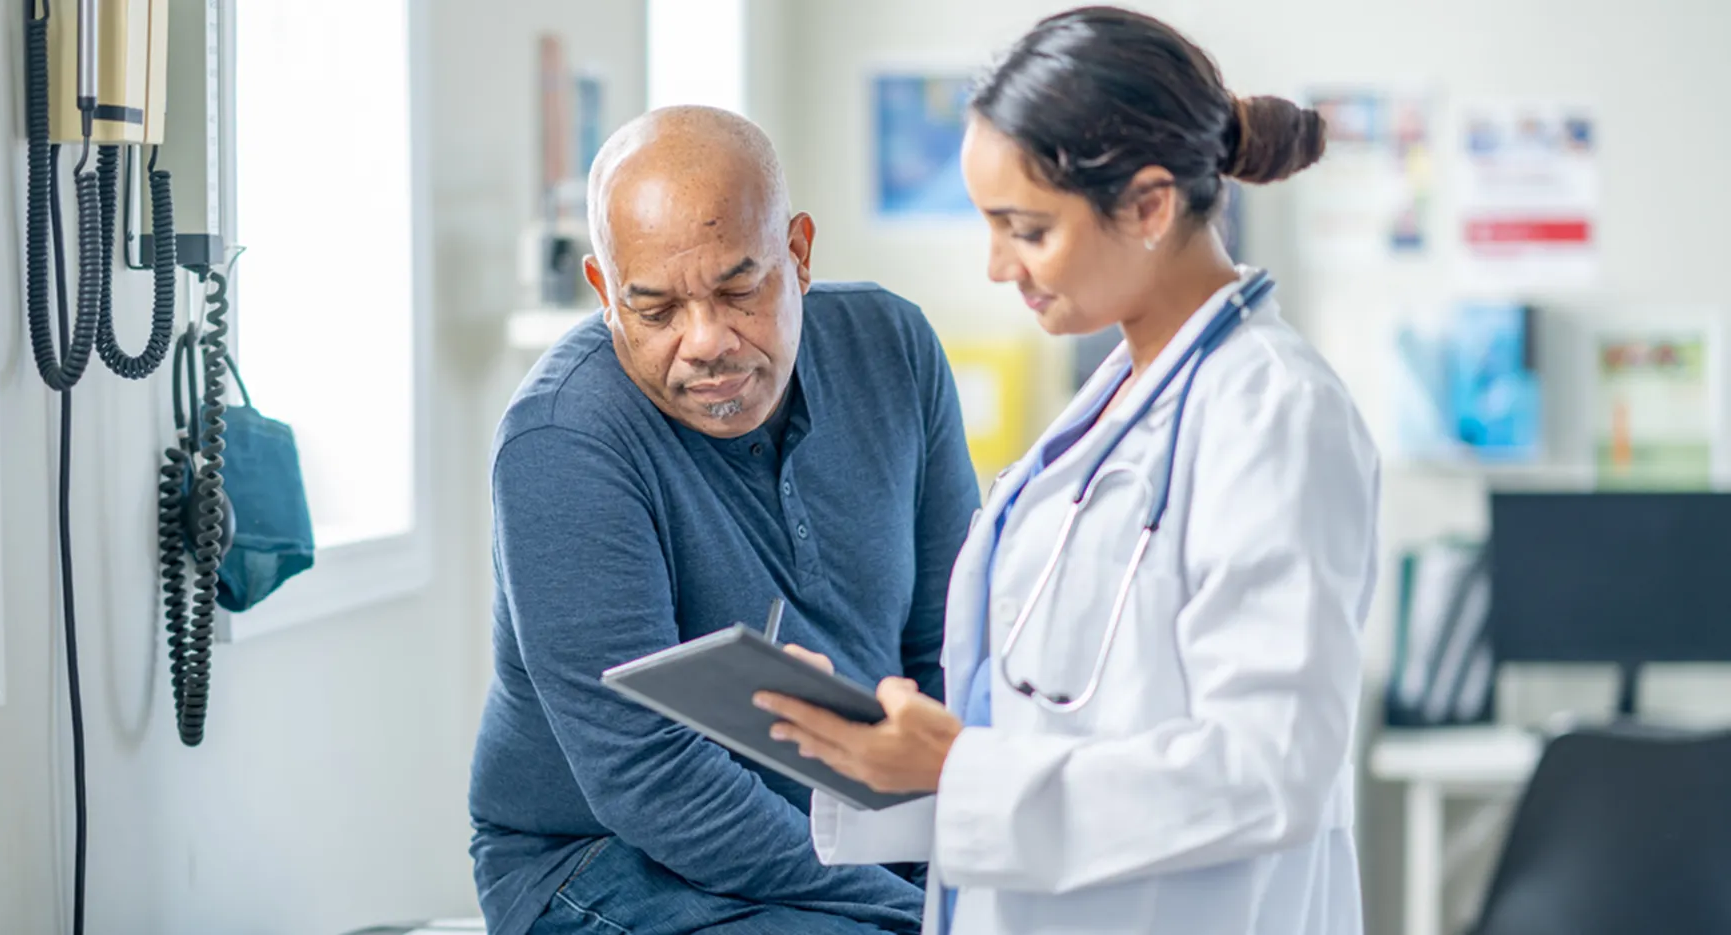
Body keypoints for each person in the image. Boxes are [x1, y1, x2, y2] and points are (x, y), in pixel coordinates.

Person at [755, 8, 1380, 934]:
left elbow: (1268, 770)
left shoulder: (1275, 412)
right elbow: (1043, 735)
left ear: (1149, 205)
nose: (999, 264)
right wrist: (884, 753)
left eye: (1028, 229)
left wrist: (957, 770)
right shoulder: (1117, 402)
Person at [467, 105, 980, 935]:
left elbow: (951, 650)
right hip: (607, 858)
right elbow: (649, 773)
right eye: (657, 310)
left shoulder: (895, 348)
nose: (707, 342)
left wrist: (968, 865)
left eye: (739, 290)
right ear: (604, 293)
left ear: (800, 253)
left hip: (859, 833)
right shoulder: (564, 440)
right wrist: (923, 916)